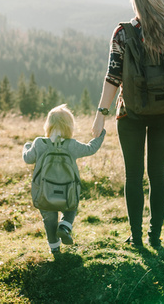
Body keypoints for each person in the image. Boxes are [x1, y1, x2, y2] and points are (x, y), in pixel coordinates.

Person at [91, 0, 164, 249]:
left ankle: (136, 238)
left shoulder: (123, 33)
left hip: (130, 115)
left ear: (135, 1)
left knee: (133, 176)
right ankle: (156, 236)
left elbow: (113, 77)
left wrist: (101, 114)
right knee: (158, 176)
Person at [23, 104, 106, 253]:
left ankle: (54, 249)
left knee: (49, 219)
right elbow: (90, 148)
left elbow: (28, 159)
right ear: (70, 126)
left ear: (48, 124)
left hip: (43, 192)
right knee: (71, 207)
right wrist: (100, 134)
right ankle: (65, 226)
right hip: (67, 192)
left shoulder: (39, 143)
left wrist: (27, 146)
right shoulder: (71, 145)